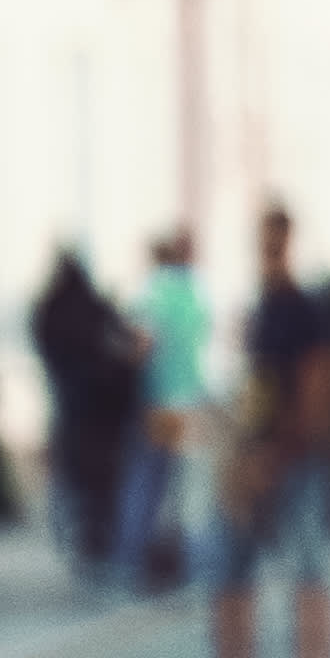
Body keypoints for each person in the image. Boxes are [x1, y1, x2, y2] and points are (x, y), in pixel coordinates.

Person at [188, 205, 330, 658]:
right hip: (250, 458)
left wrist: (278, 455)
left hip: (294, 461)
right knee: (229, 573)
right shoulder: (261, 308)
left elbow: (316, 390)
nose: (267, 249)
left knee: (309, 573)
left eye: (273, 239)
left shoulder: (303, 310)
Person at [33, 250, 148, 585]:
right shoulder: (93, 307)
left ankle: (89, 543)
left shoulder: (51, 310)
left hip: (74, 412)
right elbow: (125, 339)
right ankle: (100, 544)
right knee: (104, 484)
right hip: (103, 412)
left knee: (80, 485)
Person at [120, 227, 213, 590]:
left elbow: (143, 345)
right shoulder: (195, 290)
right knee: (189, 489)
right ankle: (196, 562)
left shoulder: (152, 291)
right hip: (191, 398)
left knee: (146, 483)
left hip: (158, 401)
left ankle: (135, 558)